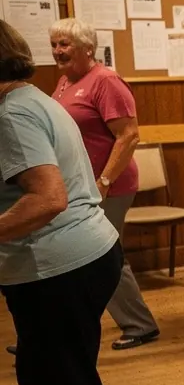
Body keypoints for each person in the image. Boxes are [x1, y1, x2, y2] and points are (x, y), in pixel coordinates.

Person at [0, 20, 134, 385]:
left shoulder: (12, 114)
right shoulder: (31, 98)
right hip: (64, 261)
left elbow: (48, 198)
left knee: (67, 381)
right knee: (39, 371)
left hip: (61, 267)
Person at [49, 17, 159, 350]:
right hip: (79, 186)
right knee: (78, 255)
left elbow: (129, 135)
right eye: (54, 44)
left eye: (65, 44)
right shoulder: (65, 81)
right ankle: (58, 329)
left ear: (88, 48)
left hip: (108, 187)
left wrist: (104, 181)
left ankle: (140, 324)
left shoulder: (105, 81)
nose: (57, 51)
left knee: (106, 255)